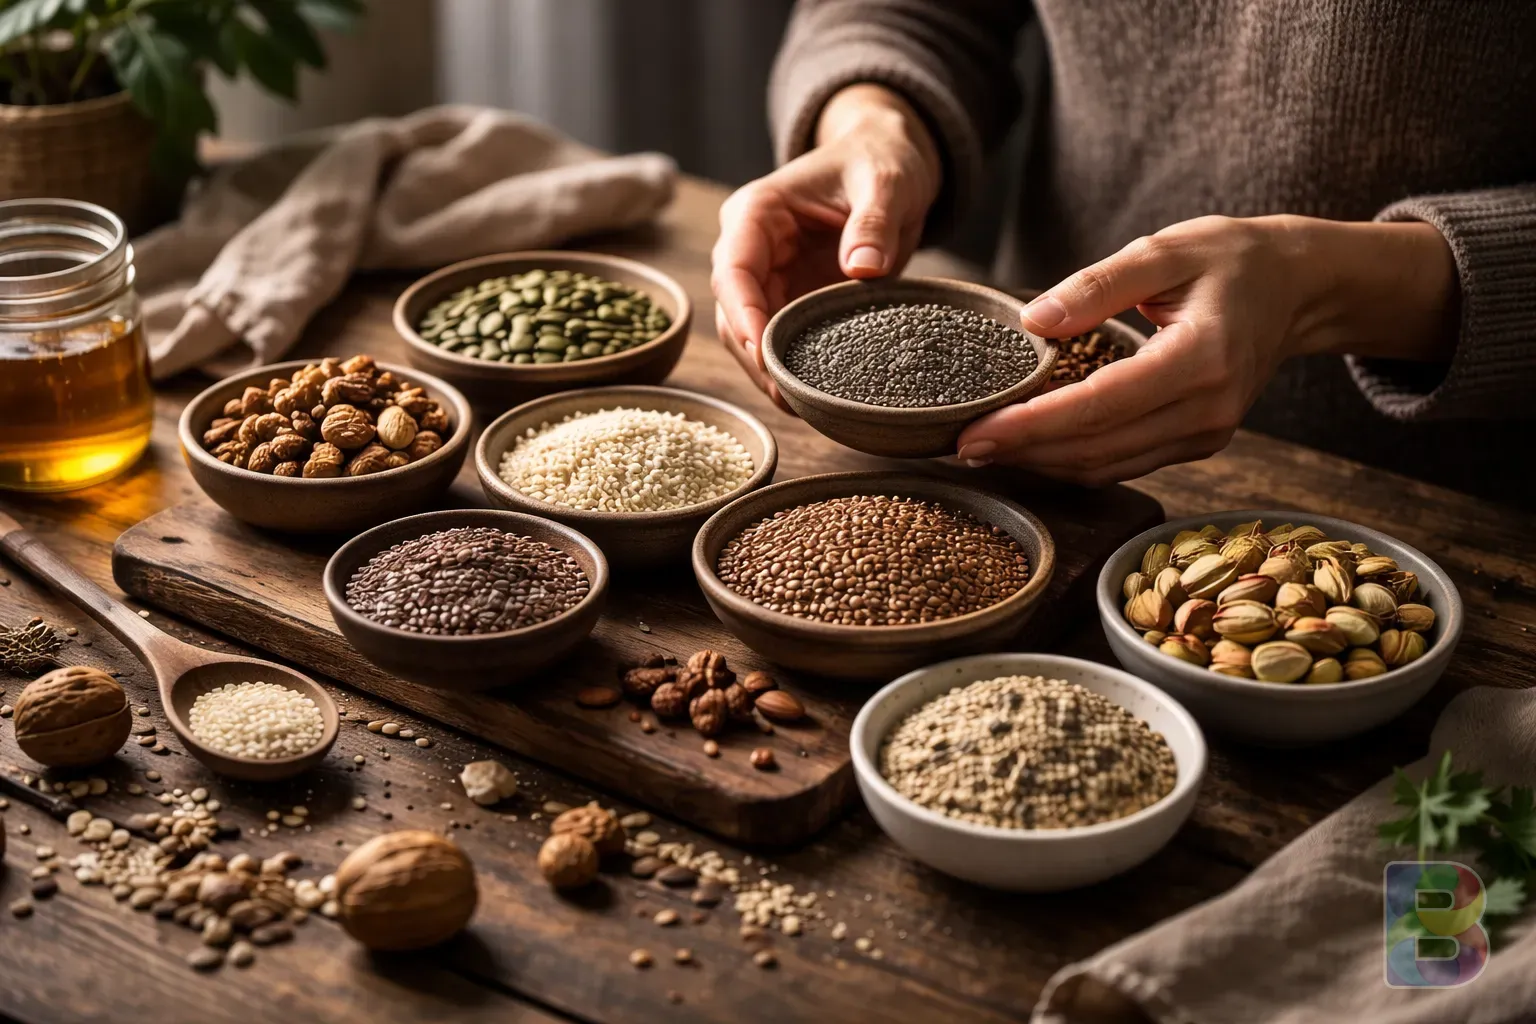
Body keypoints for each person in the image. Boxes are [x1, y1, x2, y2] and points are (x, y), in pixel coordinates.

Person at [710, 1, 1536, 505]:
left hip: (1455, 500)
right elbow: (912, 7)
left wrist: (1324, 288)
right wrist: (873, 126)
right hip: (1033, 451)